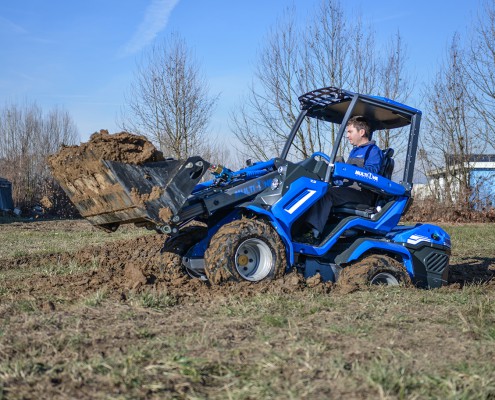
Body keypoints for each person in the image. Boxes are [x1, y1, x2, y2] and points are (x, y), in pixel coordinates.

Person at [301, 115, 383, 243]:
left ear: (361, 132)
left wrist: (352, 169)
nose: (347, 135)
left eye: (350, 131)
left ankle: (313, 233)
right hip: (348, 191)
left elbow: (373, 173)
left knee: (327, 194)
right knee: (317, 189)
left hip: (363, 193)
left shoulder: (373, 151)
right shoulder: (355, 151)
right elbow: (345, 178)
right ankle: (302, 228)